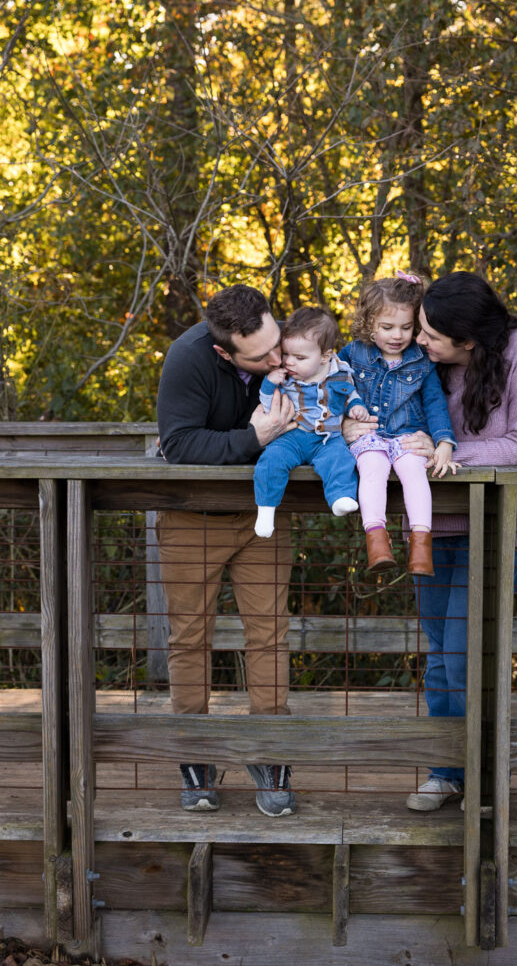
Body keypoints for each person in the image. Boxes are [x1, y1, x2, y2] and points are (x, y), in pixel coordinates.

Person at [343, 270, 517, 811]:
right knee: (439, 654)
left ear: (469, 341)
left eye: (431, 335)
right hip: (434, 525)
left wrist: (447, 453)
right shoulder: (420, 363)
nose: (419, 340)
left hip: (495, 526)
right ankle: (447, 770)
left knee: (466, 655)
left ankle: (485, 775)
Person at [156, 284, 298, 818]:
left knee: (270, 634)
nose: (276, 358)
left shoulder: (285, 348)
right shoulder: (188, 359)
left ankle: (272, 755)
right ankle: (195, 761)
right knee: (190, 636)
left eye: (276, 344)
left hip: (264, 514)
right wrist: (254, 439)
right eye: (260, 357)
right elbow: (181, 444)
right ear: (224, 352)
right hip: (193, 518)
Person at [338, 272, 458, 577]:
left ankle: (420, 546)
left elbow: (434, 404)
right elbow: (330, 388)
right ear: (369, 325)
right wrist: (340, 422)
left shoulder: (422, 360)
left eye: (406, 328)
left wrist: (444, 442)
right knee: (372, 470)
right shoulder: (353, 354)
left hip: (408, 436)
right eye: (387, 327)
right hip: (370, 435)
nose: (397, 335)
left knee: (414, 473)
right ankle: (377, 541)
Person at [253, 307, 369, 539]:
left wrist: (356, 406)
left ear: (325, 356)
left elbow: (350, 394)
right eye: (286, 355)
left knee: (341, 460)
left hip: (327, 439)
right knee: (270, 461)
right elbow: (266, 403)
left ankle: (340, 498)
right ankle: (266, 510)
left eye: (300, 358)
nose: (289, 362)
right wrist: (268, 384)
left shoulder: (340, 372)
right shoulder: (283, 377)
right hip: (292, 437)